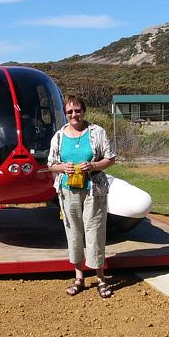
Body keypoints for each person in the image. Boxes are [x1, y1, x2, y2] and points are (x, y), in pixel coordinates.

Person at [47, 96, 116, 298]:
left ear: (83, 111)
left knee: (94, 230)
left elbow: (110, 158)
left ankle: (101, 278)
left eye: (77, 111)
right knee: (74, 232)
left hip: (93, 189)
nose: (74, 115)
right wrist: (63, 168)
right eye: (69, 112)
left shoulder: (97, 132)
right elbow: (51, 164)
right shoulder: (59, 136)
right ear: (65, 114)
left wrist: (93, 166)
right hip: (68, 190)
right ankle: (79, 277)